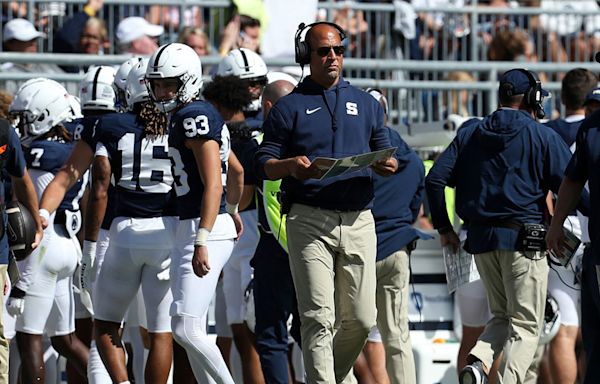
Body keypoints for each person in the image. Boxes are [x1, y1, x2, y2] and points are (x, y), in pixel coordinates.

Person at [254, 22, 398, 383]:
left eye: (338, 49)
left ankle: (324, 377)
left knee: (363, 319)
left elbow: (386, 153)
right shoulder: (288, 108)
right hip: (308, 219)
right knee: (318, 317)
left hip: (359, 219)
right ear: (307, 56)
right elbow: (263, 163)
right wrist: (290, 166)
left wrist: (386, 164)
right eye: (323, 51)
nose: (332, 56)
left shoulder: (366, 103)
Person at [425, 68, 576, 384]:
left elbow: (435, 179)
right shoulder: (542, 135)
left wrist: (444, 228)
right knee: (526, 325)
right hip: (524, 242)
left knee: (502, 317)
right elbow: (571, 188)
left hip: (480, 242)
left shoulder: (470, 133)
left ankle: (477, 363)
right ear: (533, 98)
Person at [145, 42, 243, 384]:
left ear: (187, 81)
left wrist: (205, 234)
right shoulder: (194, 113)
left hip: (202, 227)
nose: (161, 91)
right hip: (209, 223)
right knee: (188, 327)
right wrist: (232, 212)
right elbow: (238, 171)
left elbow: (213, 181)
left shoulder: (193, 116)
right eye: (156, 84)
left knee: (185, 326)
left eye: (168, 83)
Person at [7, 78, 89, 383]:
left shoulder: (37, 154)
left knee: (30, 341)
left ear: (46, 115)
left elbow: (29, 207)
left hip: (41, 248)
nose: (20, 127)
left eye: (25, 119)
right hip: (66, 247)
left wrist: (23, 279)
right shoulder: (72, 151)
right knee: (64, 340)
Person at [203, 74, 264, 384]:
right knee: (242, 332)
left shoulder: (237, 141)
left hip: (242, 233)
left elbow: (247, 193)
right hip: (240, 235)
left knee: (248, 335)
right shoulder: (248, 138)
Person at [368, 88, 428, 384]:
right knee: (396, 335)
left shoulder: (359, 157)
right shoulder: (414, 161)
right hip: (397, 251)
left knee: (346, 331)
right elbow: (414, 210)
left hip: (361, 252)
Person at [542, 67, 597, 384]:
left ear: (562, 98)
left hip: (566, 230)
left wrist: (555, 223)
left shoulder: (550, 131)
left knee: (565, 323)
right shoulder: (592, 128)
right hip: (590, 231)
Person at [252, 78, 299, 384]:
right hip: (312, 245)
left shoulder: (255, 145)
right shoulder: (313, 139)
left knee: (271, 335)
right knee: (315, 331)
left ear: (267, 107)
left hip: (273, 247)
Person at [0, 18, 65, 93]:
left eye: (34, 39)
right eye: (26, 39)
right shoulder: (3, 71)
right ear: (9, 44)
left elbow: (72, 87)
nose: (33, 43)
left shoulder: (47, 65)